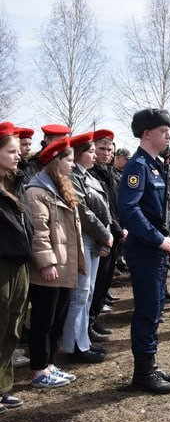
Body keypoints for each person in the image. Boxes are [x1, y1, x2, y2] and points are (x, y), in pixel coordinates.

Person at [118, 108, 170, 394]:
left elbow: (160, 212)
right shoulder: (137, 166)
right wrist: (158, 240)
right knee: (146, 310)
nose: (168, 135)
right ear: (147, 134)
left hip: (156, 248)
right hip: (144, 249)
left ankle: (150, 365)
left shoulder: (155, 165)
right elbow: (129, 210)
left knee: (155, 308)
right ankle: (142, 373)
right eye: (163, 130)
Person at [24, 137, 84, 388]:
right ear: (54, 162)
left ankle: (48, 364)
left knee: (58, 320)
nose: (72, 164)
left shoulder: (62, 188)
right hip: (49, 269)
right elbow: (39, 231)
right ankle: (39, 370)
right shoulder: (36, 191)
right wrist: (47, 262)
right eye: (68, 160)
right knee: (43, 322)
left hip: (65, 265)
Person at [63, 132, 113, 363]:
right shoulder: (73, 177)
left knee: (88, 292)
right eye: (91, 151)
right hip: (83, 239)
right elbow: (83, 211)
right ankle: (74, 345)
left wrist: (106, 235)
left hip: (94, 240)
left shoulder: (89, 176)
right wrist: (104, 235)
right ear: (78, 153)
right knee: (80, 294)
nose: (95, 155)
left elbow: (104, 208)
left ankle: (82, 341)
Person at [0, 123, 33, 410]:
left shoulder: (14, 183)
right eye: (11, 151)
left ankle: (3, 386)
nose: (18, 156)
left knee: (12, 326)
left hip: (19, 264)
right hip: (2, 265)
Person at [88, 129, 126, 338]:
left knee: (104, 283)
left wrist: (123, 227)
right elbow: (101, 209)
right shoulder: (90, 173)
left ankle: (93, 321)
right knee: (93, 285)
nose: (106, 153)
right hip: (100, 236)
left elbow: (118, 203)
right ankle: (87, 325)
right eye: (101, 148)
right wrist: (115, 228)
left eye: (109, 149)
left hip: (115, 235)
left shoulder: (111, 173)